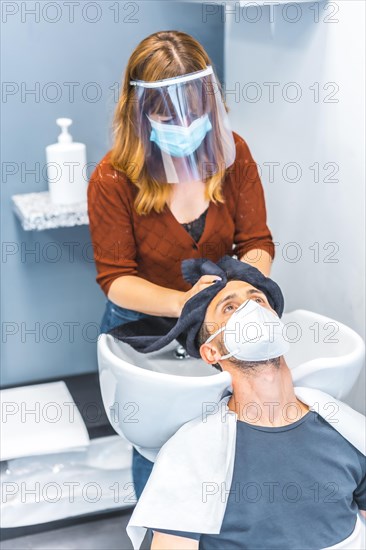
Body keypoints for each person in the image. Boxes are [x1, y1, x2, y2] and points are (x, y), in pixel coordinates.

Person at [87, 30, 275, 497]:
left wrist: (241, 291)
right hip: (143, 330)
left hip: (214, 328)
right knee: (157, 444)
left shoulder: (235, 157)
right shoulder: (112, 179)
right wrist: (185, 303)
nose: (186, 124)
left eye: (195, 112)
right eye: (169, 115)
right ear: (139, 112)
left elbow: (257, 242)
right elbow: (115, 279)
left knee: (222, 436)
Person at [124, 257, 366, 550]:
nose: (251, 310)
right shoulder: (192, 455)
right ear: (211, 351)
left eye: (258, 300)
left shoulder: (347, 430)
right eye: (230, 307)